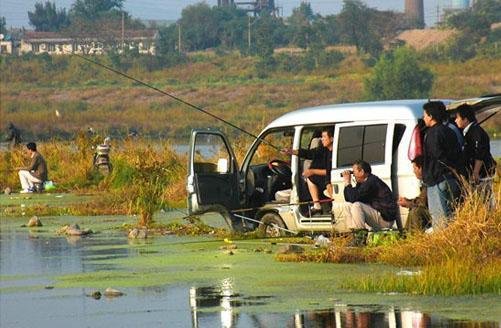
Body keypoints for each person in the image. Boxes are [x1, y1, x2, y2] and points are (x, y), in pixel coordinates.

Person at [422, 101, 462, 230]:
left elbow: (437, 156)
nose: (424, 118)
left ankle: (444, 244)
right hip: (451, 178)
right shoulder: (450, 130)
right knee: (451, 214)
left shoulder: (432, 133)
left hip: (437, 180)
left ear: (431, 116)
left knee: (440, 218)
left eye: (425, 115)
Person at [283, 128, 333, 215]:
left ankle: (317, 205)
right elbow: (310, 153)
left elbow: (331, 171)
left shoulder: (335, 152)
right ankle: (317, 205)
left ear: (332, 138)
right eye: (321, 137)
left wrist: (313, 171)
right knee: (310, 177)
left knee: (311, 177)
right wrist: (292, 151)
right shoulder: (323, 150)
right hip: (327, 180)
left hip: (332, 180)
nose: (322, 139)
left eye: (324, 137)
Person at [454, 104, 496, 207]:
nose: (455, 120)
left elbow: (479, 153)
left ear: (465, 119)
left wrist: (476, 172)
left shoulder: (476, 131)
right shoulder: (468, 132)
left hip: (482, 174)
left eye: (457, 117)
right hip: (478, 174)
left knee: (484, 203)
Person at [342, 160, 397, 231]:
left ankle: (360, 236)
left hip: (385, 219)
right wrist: (347, 184)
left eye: (354, 172)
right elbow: (348, 198)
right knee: (348, 206)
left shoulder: (371, 182)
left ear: (361, 172)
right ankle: (353, 233)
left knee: (357, 205)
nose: (353, 175)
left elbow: (353, 198)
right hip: (378, 214)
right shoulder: (363, 182)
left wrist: (348, 182)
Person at [398, 155, 431, 232]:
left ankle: (416, 237)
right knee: (413, 209)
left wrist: (408, 203)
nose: (413, 171)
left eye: (414, 168)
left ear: (420, 168)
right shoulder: (425, 182)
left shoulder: (428, 182)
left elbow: (422, 202)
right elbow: (421, 200)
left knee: (416, 211)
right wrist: (408, 201)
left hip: (434, 213)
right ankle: (408, 236)